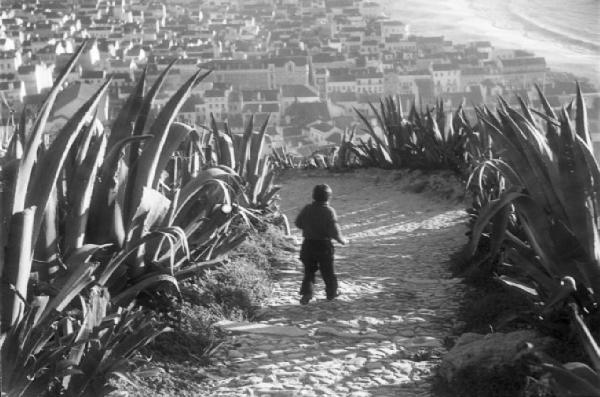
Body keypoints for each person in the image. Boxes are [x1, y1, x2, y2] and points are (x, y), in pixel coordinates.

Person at [295, 184, 347, 305]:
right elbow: (334, 230)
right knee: (328, 271)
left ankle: (307, 293)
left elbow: (298, 223)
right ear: (329, 197)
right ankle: (331, 292)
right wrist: (341, 240)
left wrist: (309, 227)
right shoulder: (329, 211)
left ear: (313, 196)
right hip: (324, 245)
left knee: (309, 271)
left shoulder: (307, 208)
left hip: (307, 244)